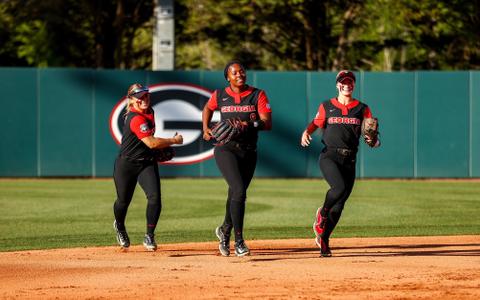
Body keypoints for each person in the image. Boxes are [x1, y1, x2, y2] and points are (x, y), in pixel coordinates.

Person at [300, 70, 380, 257]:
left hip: (350, 159)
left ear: (353, 85)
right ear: (338, 85)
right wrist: (307, 132)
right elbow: (316, 122)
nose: (347, 85)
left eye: (350, 82)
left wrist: (373, 141)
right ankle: (323, 214)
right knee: (339, 188)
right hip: (330, 156)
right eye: (343, 82)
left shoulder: (362, 108)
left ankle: (325, 241)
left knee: (340, 204)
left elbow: (373, 137)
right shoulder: (327, 106)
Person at [202, 61, 272, 257]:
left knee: (235, 193)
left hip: (249, 151)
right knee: (239, 191)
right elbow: (208, 108)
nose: (239, 74)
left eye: (242, 71)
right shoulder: (220, 95)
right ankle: (239, 241)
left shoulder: (257, 94)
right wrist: (206, 128)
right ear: (228, 77)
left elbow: (267, 123)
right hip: (226, 149)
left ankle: (225, 229)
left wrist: (247, 124)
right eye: (234, 73)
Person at [113, 83, 183, 251]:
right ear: (131, 100)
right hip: (127, 164)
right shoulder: (135, 118)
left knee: (155, 198)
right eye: (139, 97)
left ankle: (149, 236)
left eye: (146, 95)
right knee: (123, 201)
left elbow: (149, 143)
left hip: (146, 162)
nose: (144, 99)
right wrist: (173, 141)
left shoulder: (150, 111)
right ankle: (120, 227)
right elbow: (151, 142)